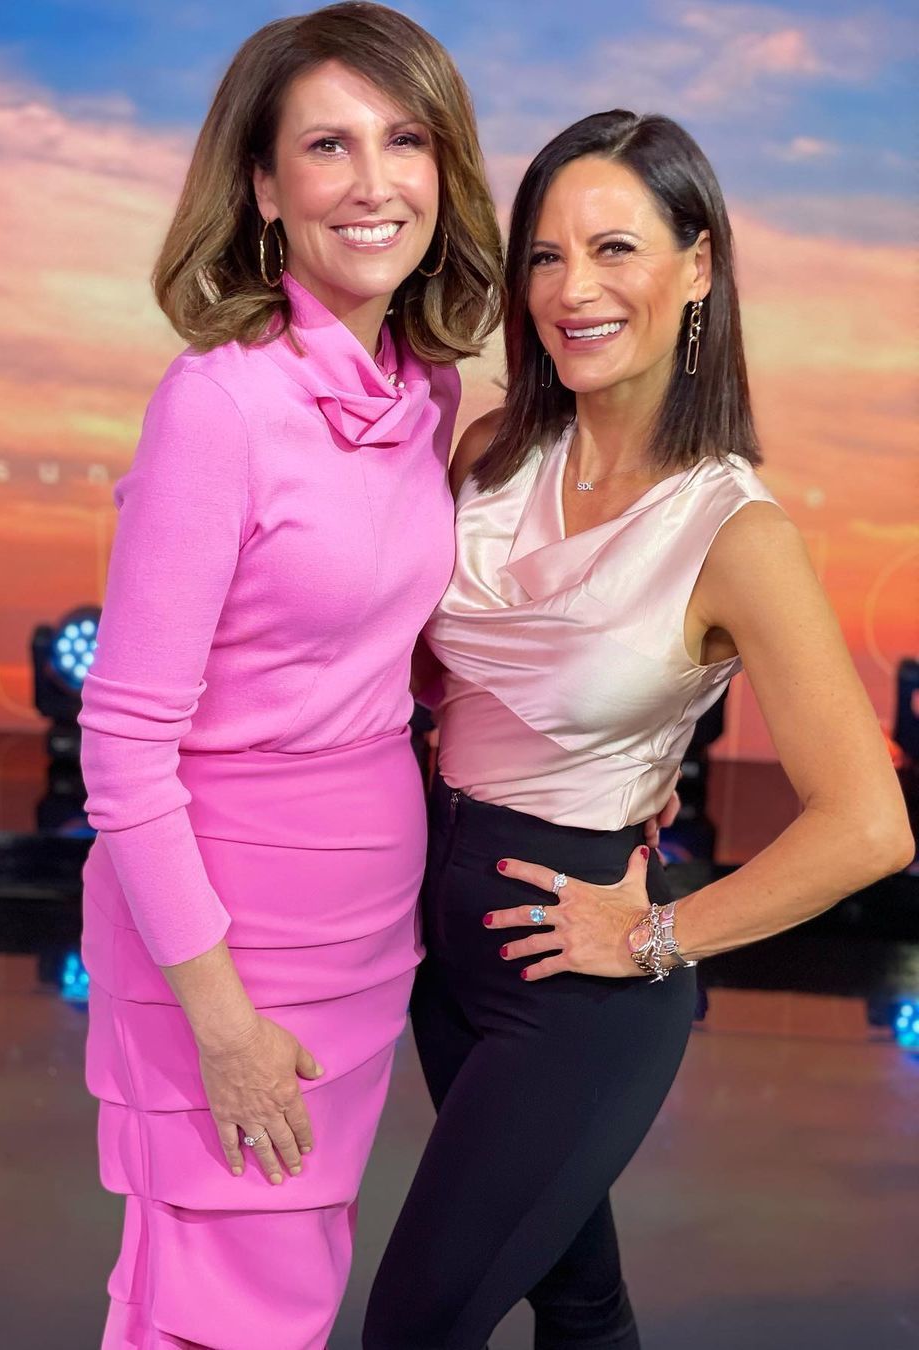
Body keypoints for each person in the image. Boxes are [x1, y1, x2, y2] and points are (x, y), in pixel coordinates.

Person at [364, 110, 913, 1349]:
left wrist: (658, 935)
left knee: (412, 1327)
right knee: (579, 1300)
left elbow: (869, 825)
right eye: (546, 256)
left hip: (577, 980)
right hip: (445, 943)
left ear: (698, 266)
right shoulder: (493, 451)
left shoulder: (735, 533)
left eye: (615, 248)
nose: (574, 289)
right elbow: (433, 678)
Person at [76, 5, 503, 1347]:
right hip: (229, 941)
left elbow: (392, 656)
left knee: (294, 1295)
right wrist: (222, 1023)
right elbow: (122, 747)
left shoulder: (422, 392)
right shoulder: (218, 404)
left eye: (404, 140)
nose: (374, 182)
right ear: (263, 187)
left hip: (362, 928)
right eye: (328, 145)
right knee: (220, 1311)